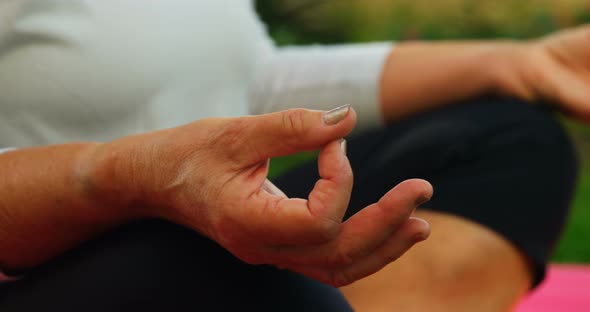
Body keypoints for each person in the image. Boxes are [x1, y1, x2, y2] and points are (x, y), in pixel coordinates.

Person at [0, 0, 581, 311]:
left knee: (512, 145)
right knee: (197, 262)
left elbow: (247, 77)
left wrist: (514, 65)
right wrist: (140, 177)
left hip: (180, 220)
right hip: (55, 259)